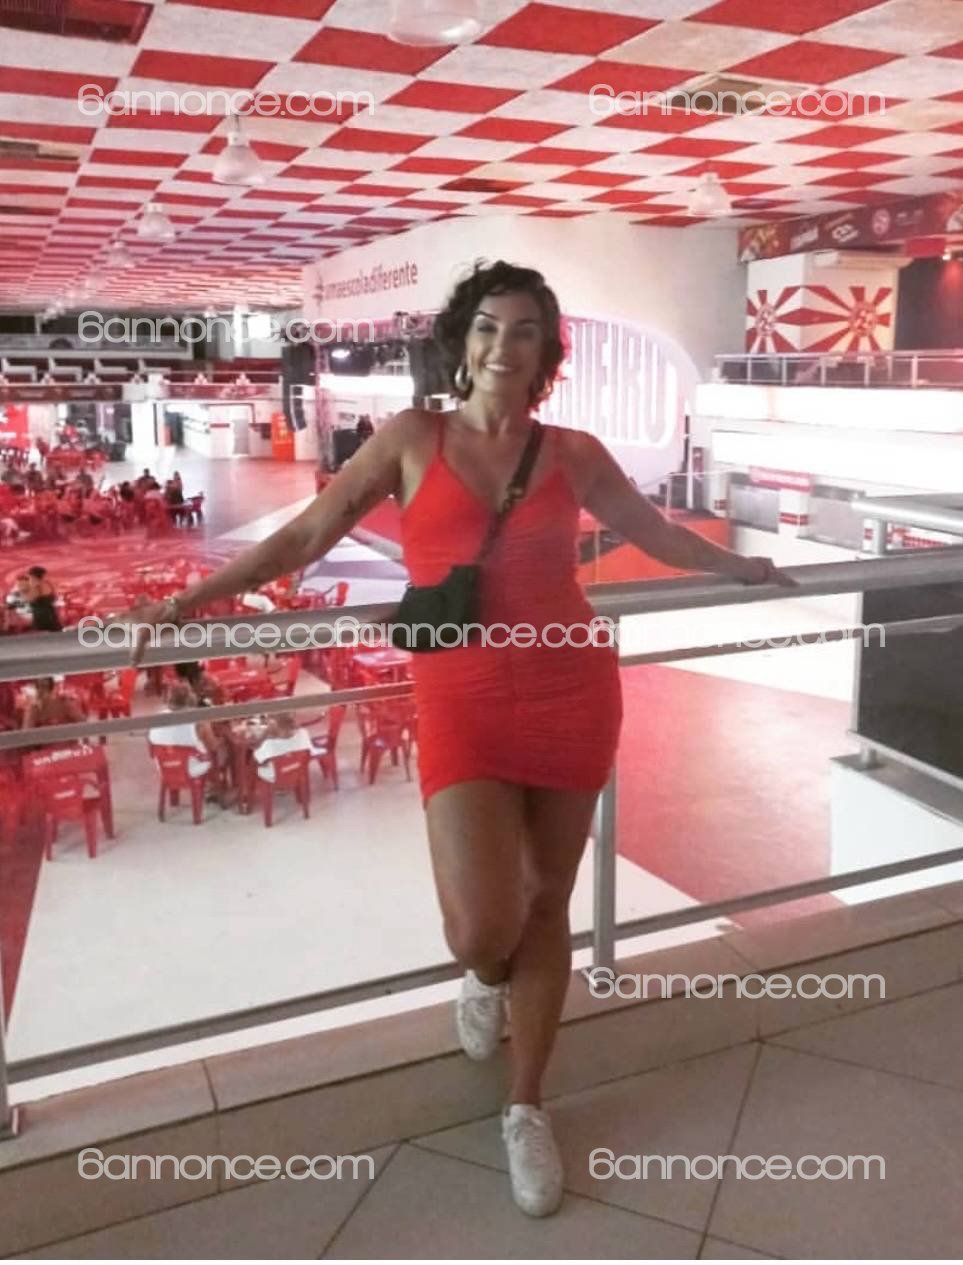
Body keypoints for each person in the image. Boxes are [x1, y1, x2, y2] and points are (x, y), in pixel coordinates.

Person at [126, 259, 791, 1218]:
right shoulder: (412, 437)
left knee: (547, 900)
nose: (501, 345)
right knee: (482, 927)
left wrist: (746, 566)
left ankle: (526, 1104)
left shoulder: (572, 451)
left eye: (523, 330)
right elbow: (306, 536)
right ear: (461, 340)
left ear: (545, 351)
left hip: (571, 688)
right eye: (486, 326)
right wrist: (186, 602)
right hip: (462, 697)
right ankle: (483, 978)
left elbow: (655, 532)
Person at [147, 683, 222, 781]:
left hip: (164, 767)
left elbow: (151, 747)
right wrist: (222, 740)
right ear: (190, 699)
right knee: (221, 751)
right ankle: (216, 782)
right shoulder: (198, 721)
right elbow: (213, 746)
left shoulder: (157, 718)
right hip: (190, 768)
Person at [252, 711, 312, 784]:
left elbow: (257, 758)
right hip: (298, 769)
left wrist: (263, 735)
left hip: (275, 776)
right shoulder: (304, 733)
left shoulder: (268, 743)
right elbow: (309, 752)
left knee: (253, 765)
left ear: (273, 724)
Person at [24, 565, 61, 632]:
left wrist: (24, 591)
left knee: (42, 635)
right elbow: (54, 597)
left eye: (29, 577)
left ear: (33, 576)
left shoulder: (36, 587)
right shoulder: (48, 584)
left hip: (41, 617)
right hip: (51, 614)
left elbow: (28, 599)